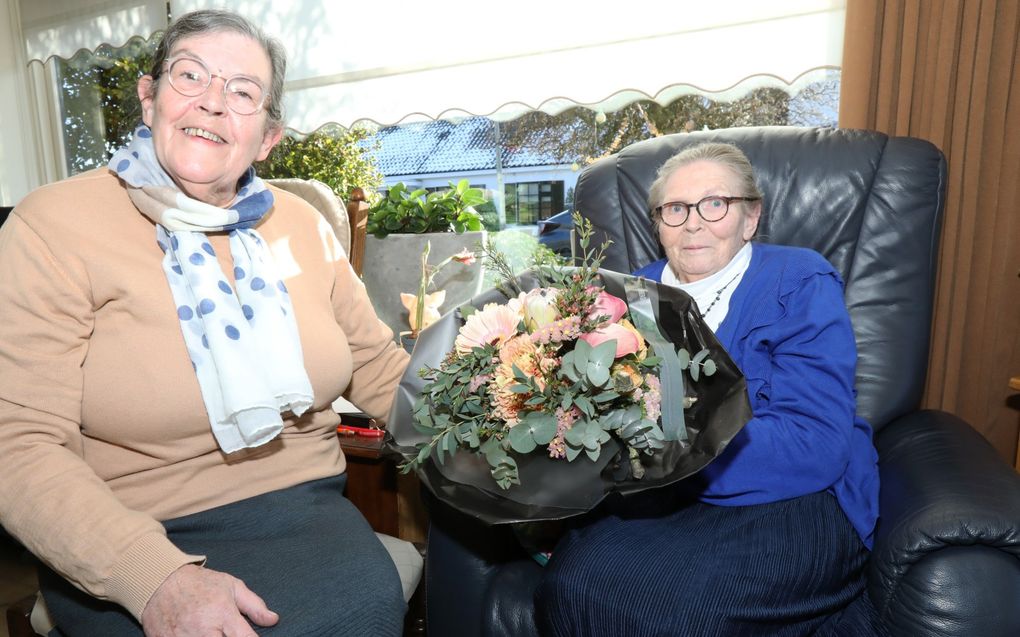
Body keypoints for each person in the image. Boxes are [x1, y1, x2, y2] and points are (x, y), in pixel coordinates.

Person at [0, 10, 409, 636]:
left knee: (352, 613)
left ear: (268, 137)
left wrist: (485, 426)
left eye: (243, 92)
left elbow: (380, 367)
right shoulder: (50, 226)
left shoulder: (300, 223)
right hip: (125, 532)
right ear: (149, 97)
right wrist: (154, 577)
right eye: (190, 75)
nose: (213, 103)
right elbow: (18, 443)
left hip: (303, 511)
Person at [534, 142, 884, 636]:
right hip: (662, 498)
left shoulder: (798, 279)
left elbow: (815, 444)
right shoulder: (621, 298)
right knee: (571, 588)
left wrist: (666, 453)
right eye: (675, 209)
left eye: (715, 203)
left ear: (750, 217)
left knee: (688, 615)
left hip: (793, 494)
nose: (693, 223)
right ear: (657, 223)